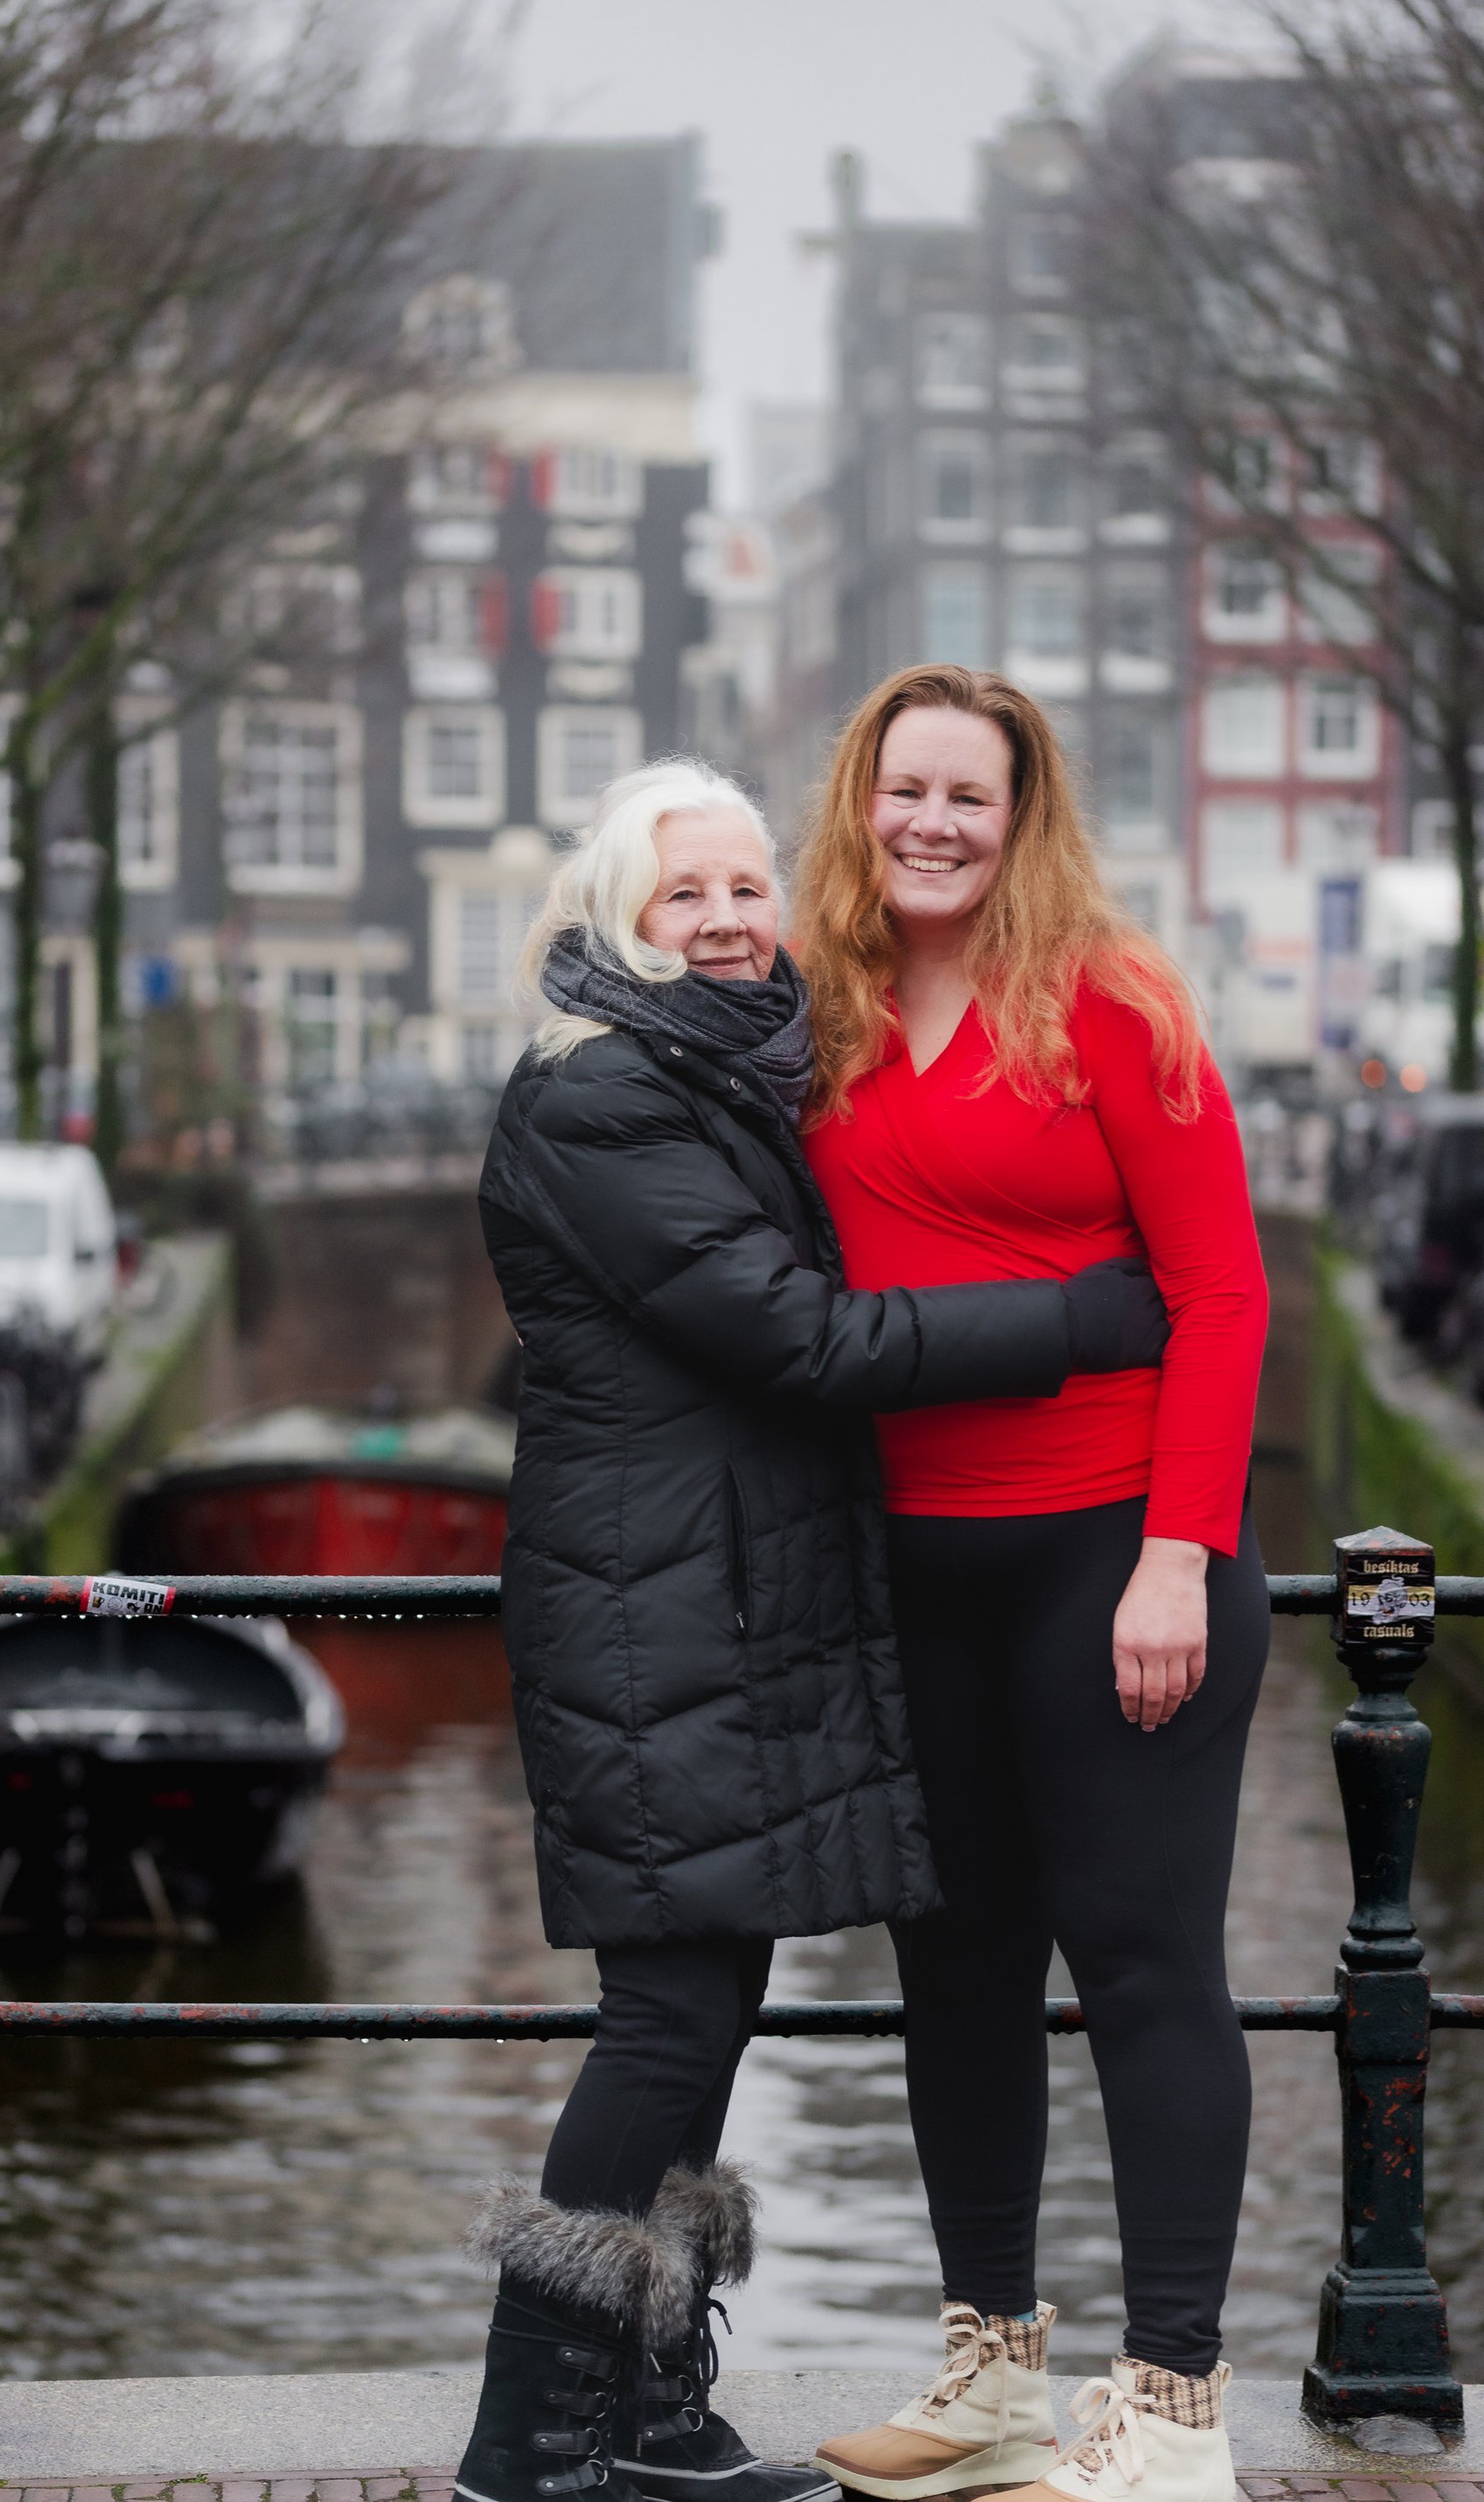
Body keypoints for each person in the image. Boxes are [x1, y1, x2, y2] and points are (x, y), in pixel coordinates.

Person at [459, 759, 1173, 2502]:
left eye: (744, 886)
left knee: (707, 2008)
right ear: (617, 918)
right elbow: (801, 1340)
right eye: (681, 894)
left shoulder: (721, 1077)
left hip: (708, 1606)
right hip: (650, 1617)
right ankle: (525, 2436)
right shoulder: (603, 1097)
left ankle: (642, 2409)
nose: (725, 920)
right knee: (668, 2014)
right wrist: (1081, 1318)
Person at [799, 668, 1268, 2502]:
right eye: (902, 788)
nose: (930, 822)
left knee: (1145, 1970)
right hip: (912, 1570)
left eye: (966, 797)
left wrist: (1180, 1554)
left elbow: (1221, 1292)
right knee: (958, 1975)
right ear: (861, 801)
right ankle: (993, 2380)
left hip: (1110, 1555)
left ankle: (1174, 2412)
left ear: (1020, 818)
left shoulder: (1109, 998)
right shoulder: (819, 1007)